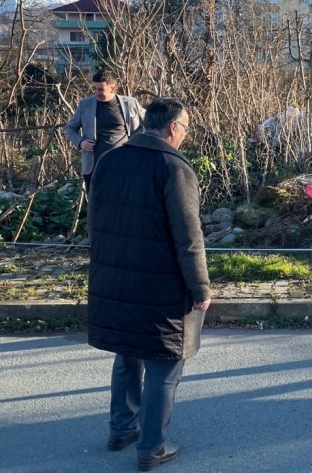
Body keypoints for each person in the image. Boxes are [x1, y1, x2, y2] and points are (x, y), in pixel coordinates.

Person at [86, 97, 210, 471]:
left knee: (128, 351)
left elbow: (95, 221)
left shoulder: (110, 159)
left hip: (115, 275)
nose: (185, 136)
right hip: (160, 283)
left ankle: (121, 428)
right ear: (173, 128)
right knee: (165, 362)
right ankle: (152, 447)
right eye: (185, 128)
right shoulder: (173, 167)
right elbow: (189, 237)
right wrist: (201, 287)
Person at [64, 70, 144, 190]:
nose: (96, 93)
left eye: (100, 89)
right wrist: (80, 142)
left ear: (113, 89)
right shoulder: (85, 104)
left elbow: (148, 123)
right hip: (94, 165)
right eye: (94, 88)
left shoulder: (131, 103)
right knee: (95, 204)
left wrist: (135, 142)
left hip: (124, 164)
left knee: (122, 203)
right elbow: (69, 128)